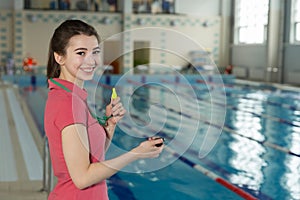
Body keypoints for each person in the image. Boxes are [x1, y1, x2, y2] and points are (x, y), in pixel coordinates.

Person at [44, 19, 164, 200]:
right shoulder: (68, 103)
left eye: (95, 52)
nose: (90, 60)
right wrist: (137, 153)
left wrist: (110, 125)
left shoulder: (72, 96)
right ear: (59, 57)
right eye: (81, 53)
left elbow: (93, 156)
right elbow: (82, 178)